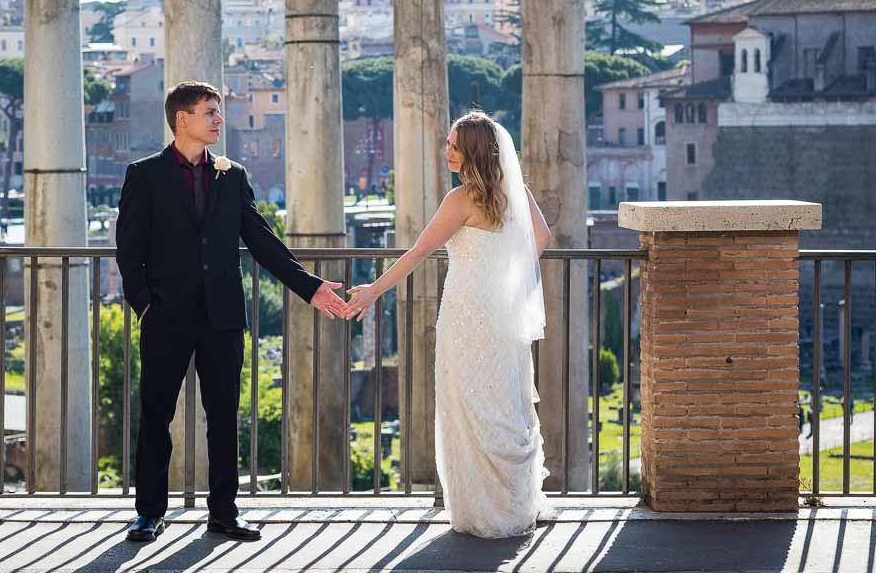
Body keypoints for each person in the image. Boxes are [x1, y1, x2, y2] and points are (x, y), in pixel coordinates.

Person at [116, 81, 349, 543]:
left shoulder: (232, 174)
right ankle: (148, 512)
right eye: (209, 112)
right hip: (165, 315)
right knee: (155, 415)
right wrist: (144, 304)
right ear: (182, 119)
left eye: (218, 112)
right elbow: (129, 249)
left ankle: (224, 512)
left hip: (222, 317)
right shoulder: (143, 174)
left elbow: (262, 241)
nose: (218, 120)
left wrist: (311, 287)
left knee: (223, 416)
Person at [345, 110, 553, 538]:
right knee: (505, 405)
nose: (446, 152)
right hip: (504, 310)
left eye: (453, 146)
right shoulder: (518, 192)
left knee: (469, 406)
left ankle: (482, 512)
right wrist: (509, 279)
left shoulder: (459, 201)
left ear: (472, 152)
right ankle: (515, 506)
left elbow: (418, 252)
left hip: (466, 313)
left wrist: (372, 290)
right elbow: (542, 238)